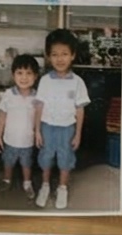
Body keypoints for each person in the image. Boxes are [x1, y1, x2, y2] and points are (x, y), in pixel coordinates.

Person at [35, 28, 90, 210]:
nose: (60, 59)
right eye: (55, 54)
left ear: (72, 55)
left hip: (68, 128)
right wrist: (37, 130)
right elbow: (39, 106)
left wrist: (78, 134)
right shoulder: (44, 80)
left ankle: (62, 187)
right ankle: (45, 186)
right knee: (46, 157)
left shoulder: (77, 82)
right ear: (48, 56)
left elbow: (80, 109)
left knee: (65, 158)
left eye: (64, 54)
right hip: (47, 127)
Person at [0, 53, 42, 201]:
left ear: (36, 76)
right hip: (9, 140)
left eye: (29, 73)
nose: (24, 77)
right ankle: (7, 181)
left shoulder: (37, 97)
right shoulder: (9, 94)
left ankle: (27, 184)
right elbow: (2, 116)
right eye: (20, 73)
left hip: (27, 141)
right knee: (8, 162)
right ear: (13, 75)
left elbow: (38, 119)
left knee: (26, 164)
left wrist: (38, 134)